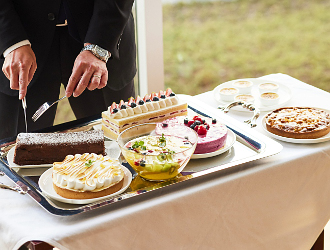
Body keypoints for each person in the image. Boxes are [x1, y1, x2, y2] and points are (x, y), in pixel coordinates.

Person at [0, 0, 136, 140]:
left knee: (122, 144)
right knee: (14, 152)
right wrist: (11, 41)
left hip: (101, 32)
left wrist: (99, 45)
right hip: (19, 40)